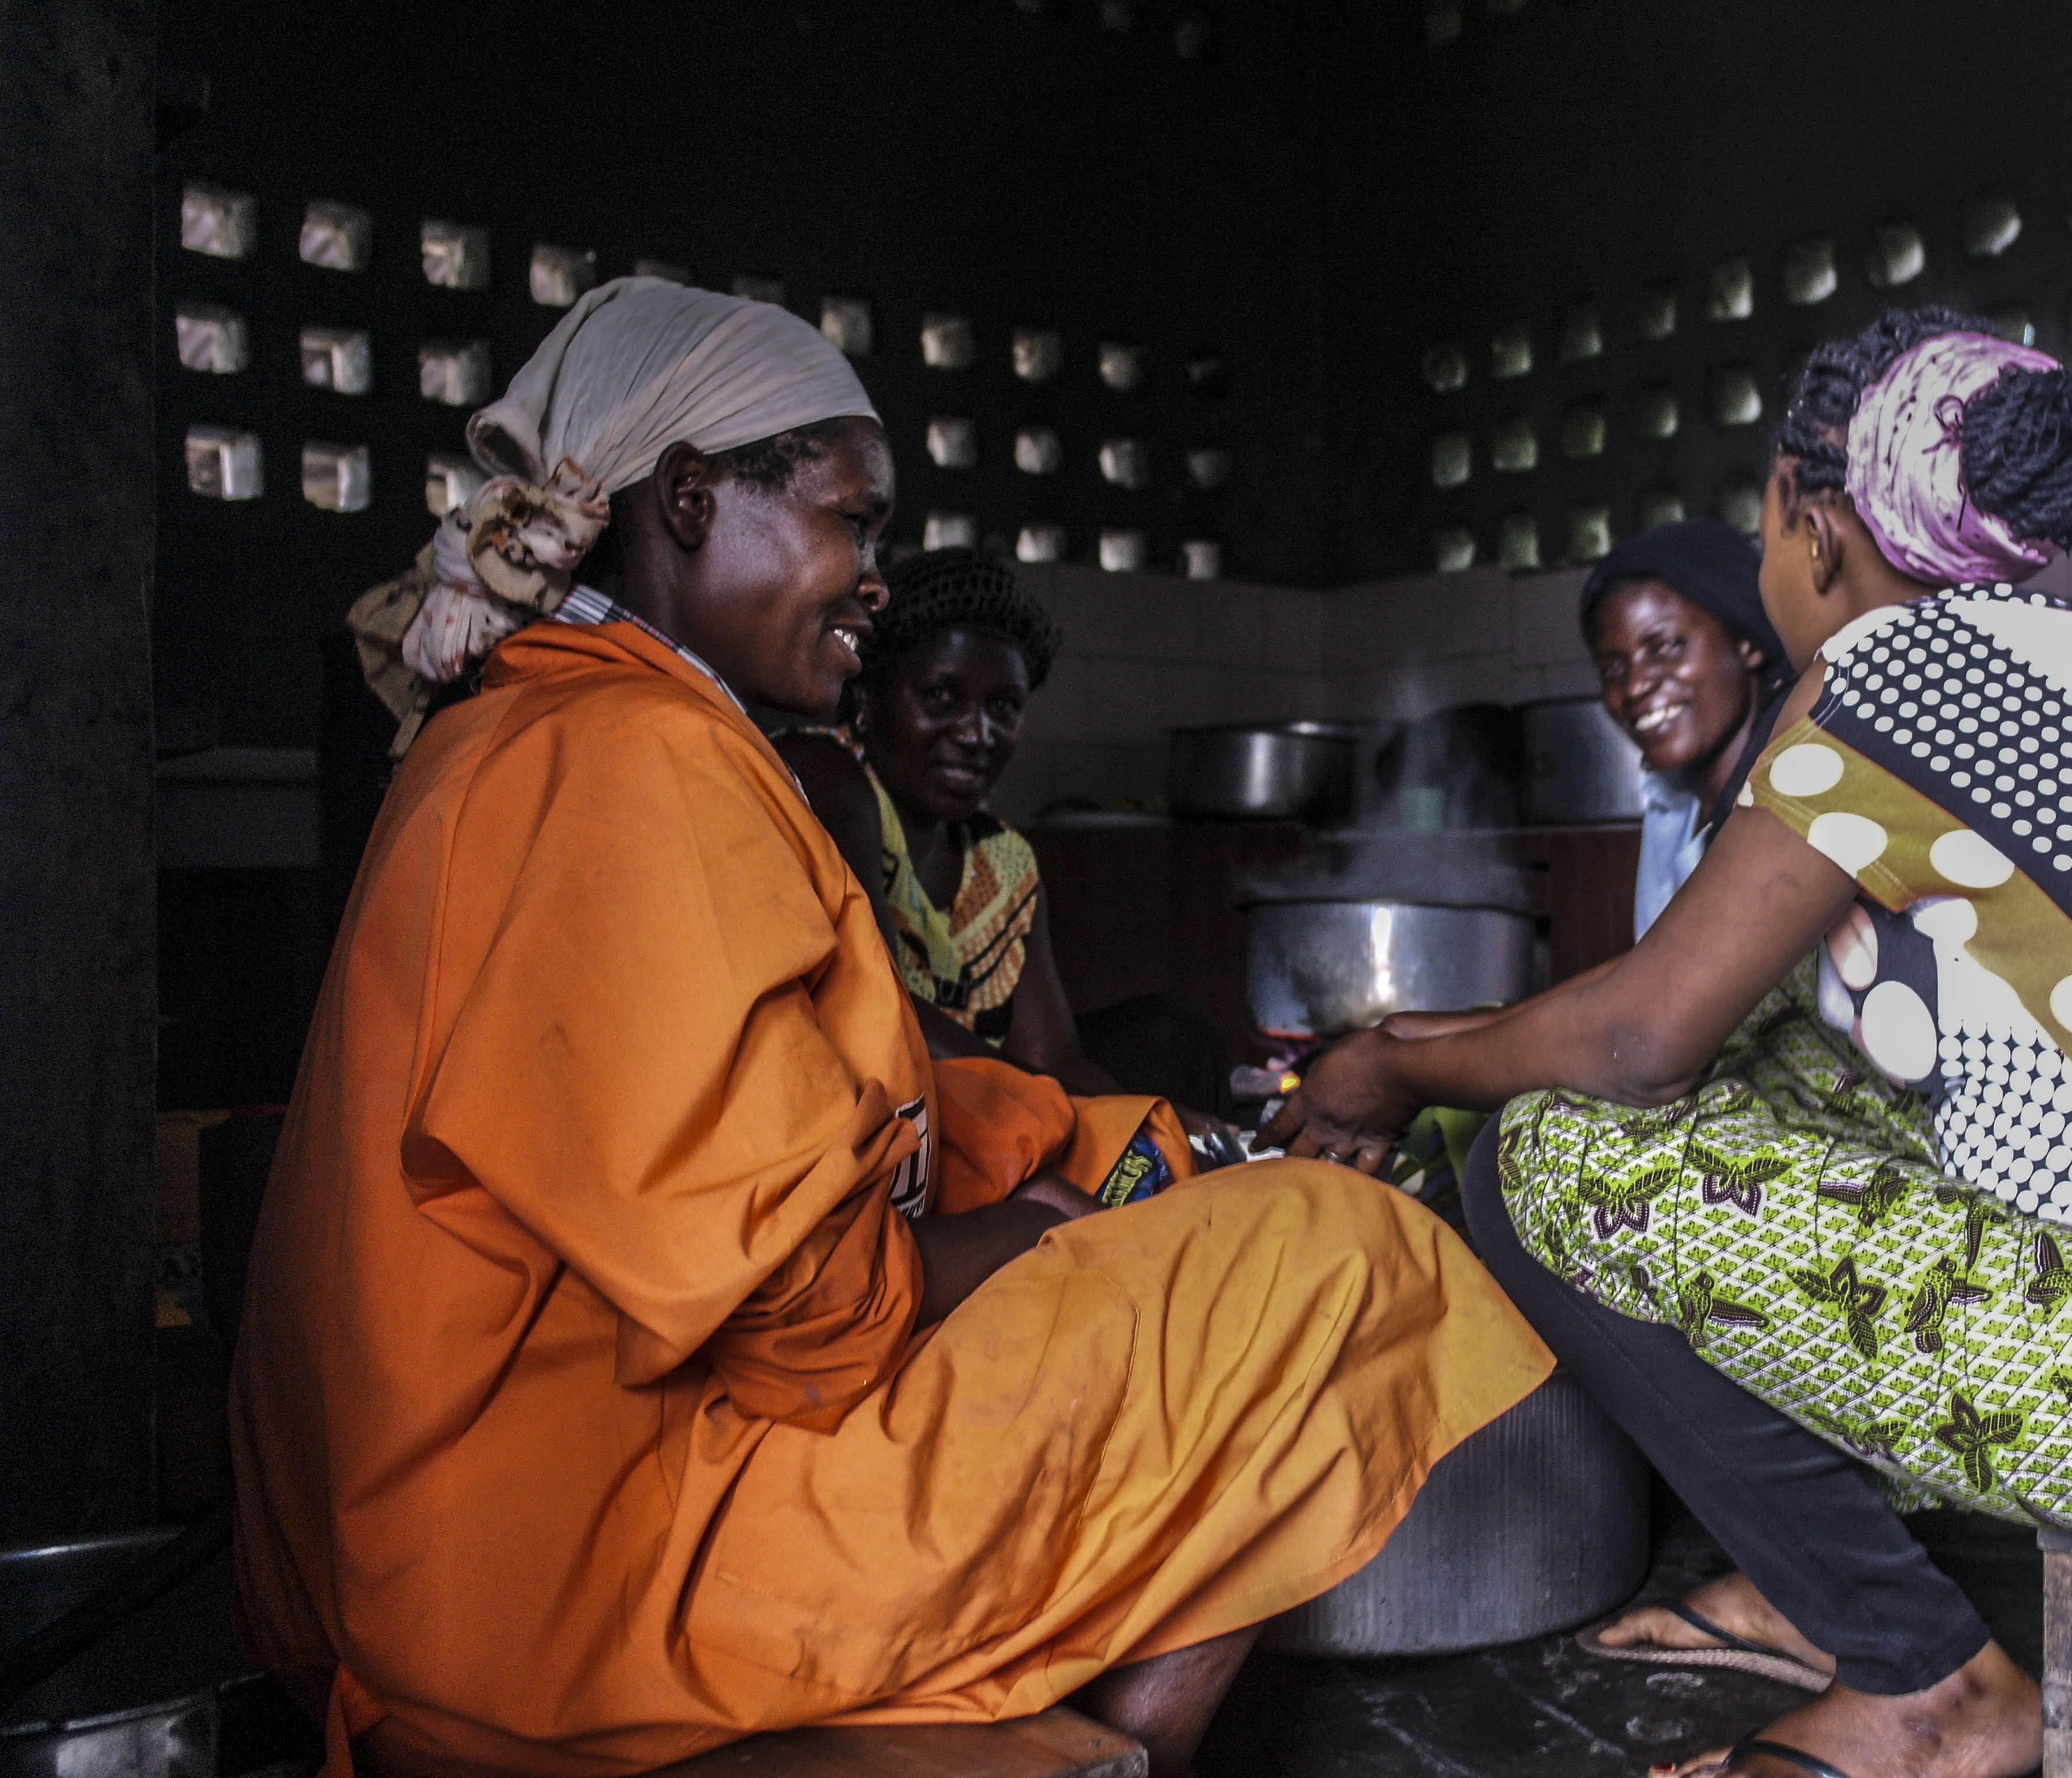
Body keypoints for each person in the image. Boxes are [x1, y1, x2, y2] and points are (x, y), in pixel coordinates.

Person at [236, 277, 1552, 1778]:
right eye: (852, 522)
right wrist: (1044, 1232)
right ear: (685, 501)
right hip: (590, 1581)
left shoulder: (535, 734)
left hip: (454, 1549)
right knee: (1340, 1255)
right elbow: (810, 1317)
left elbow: (842, 1108)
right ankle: (1107, 1755)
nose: (874, 575)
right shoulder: (630, 765)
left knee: (1197, 1208)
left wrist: (1114, 1146)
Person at [1265, 307, 2072, 1778]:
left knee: (1550, 1155)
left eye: (1765, 514)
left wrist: (1392, 1062)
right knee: (1780, 1058)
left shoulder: (1882, 678)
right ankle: (1821, 1584)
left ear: (1810, 517)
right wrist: (1441, 1042)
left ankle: (1927, 1684)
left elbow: (1636, 1043)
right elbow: (1719, 1023)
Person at [774, 550, 1233, 1126]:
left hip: (980, 1110)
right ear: (868, 699)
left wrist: (1170, 1125)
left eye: (1004, 707)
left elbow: (1053, 1055)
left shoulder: (1003, 859)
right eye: (942, 696)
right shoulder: (826, 776)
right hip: (867, 1123)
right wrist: (1080, 1115)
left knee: (1173, 1030)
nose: (976, 734)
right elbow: (882, 1010)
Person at [1580, 520, 1793, 937]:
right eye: (1613, 668)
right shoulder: (1671, 808)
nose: (1635, 685)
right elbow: (1657, 969)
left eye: (1667, 647)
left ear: (1746, 642)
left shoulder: (1791, 802)